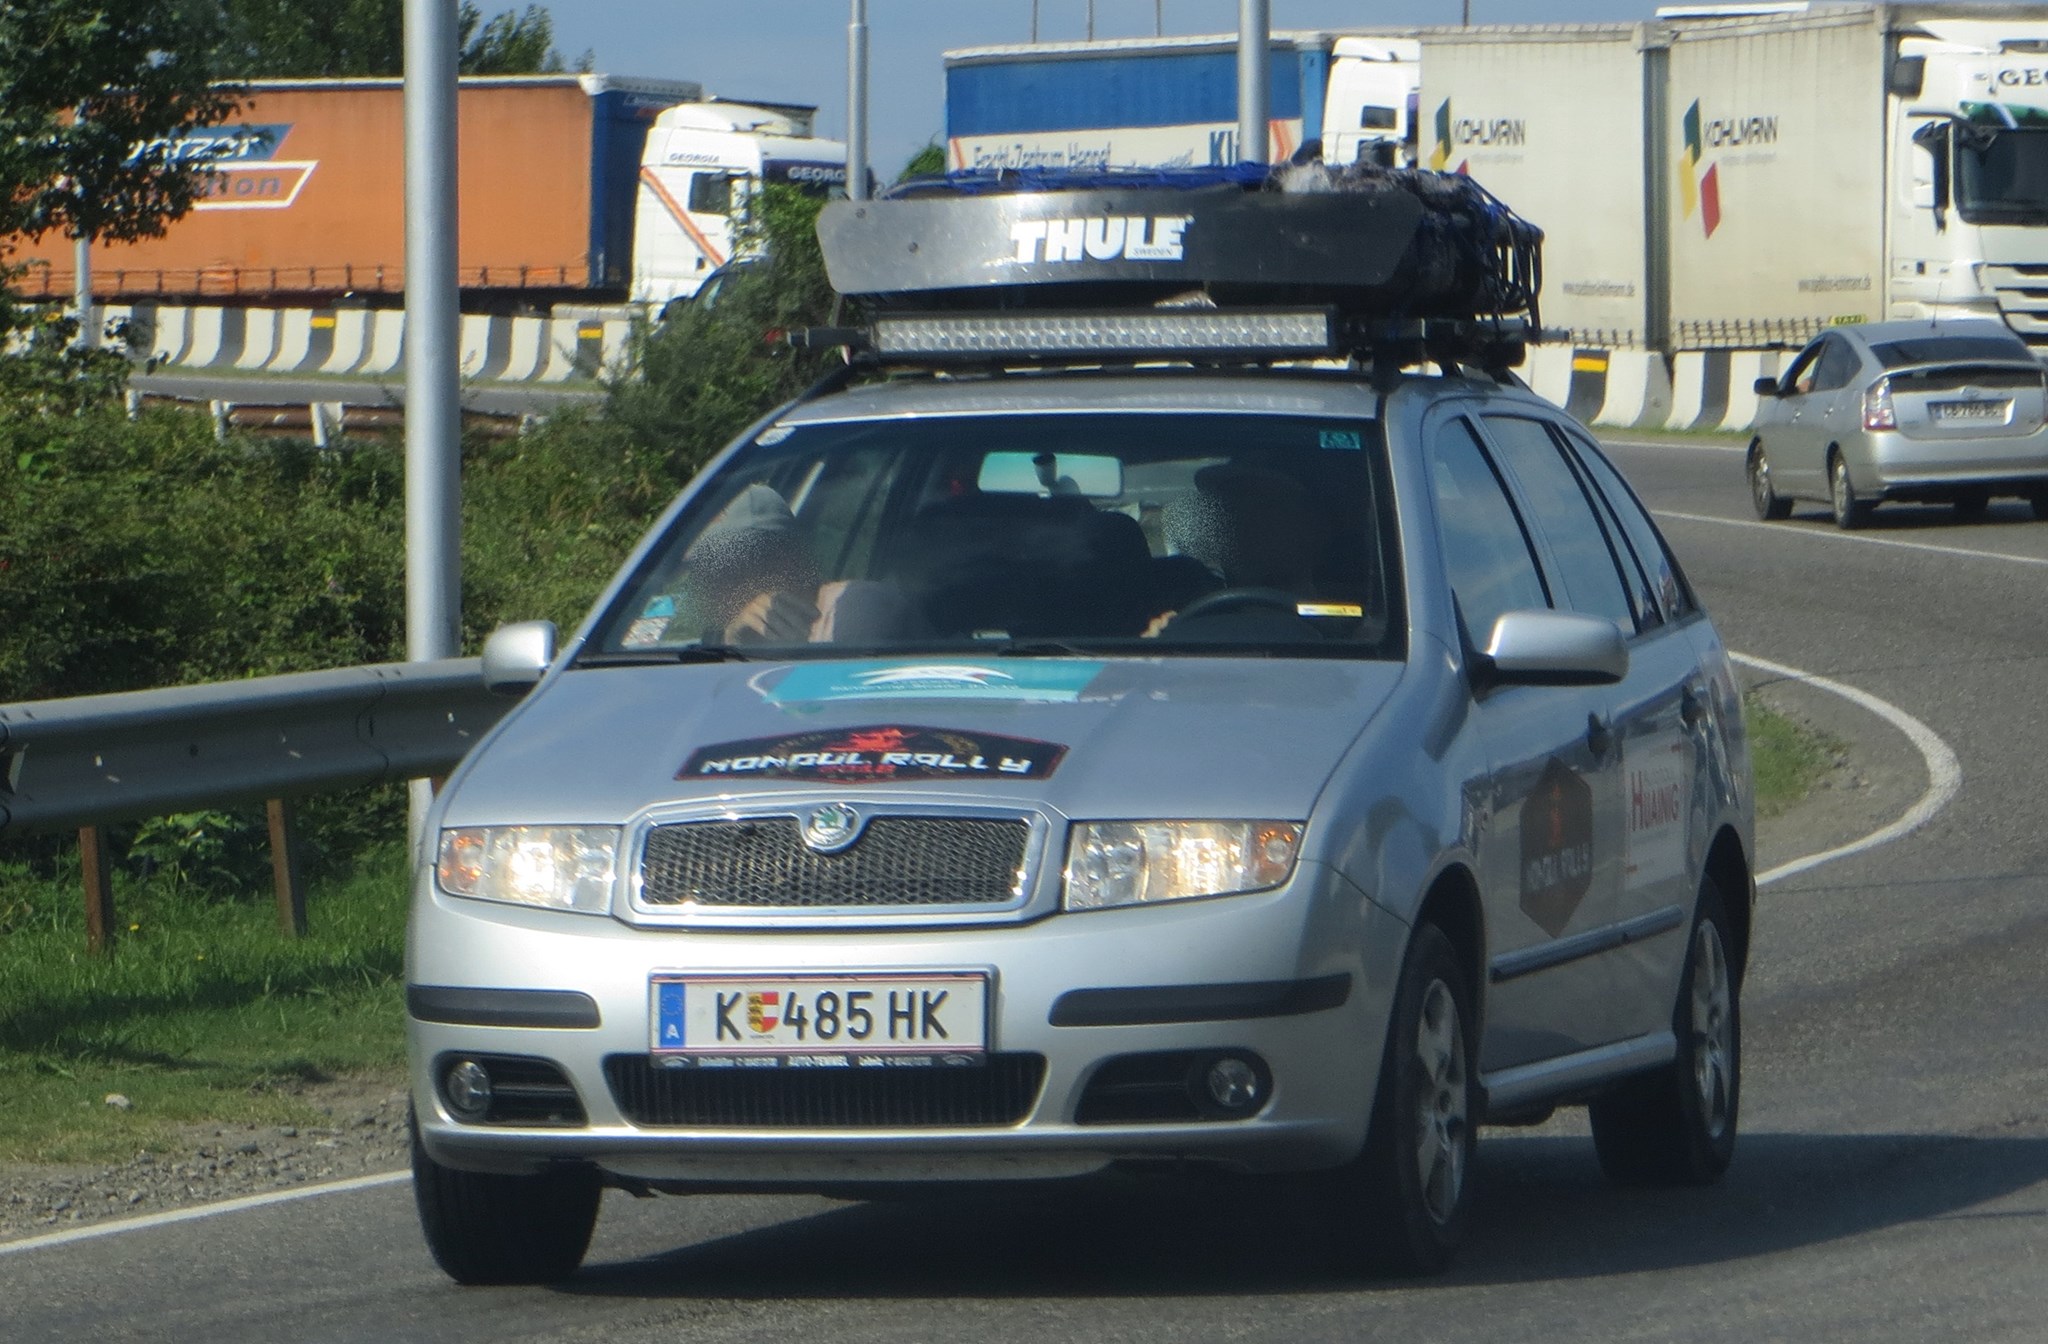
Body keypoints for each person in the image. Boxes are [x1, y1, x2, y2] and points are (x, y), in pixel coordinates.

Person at [680, 484, 920, 646]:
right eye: (706, 568)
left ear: (785, 558)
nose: (716, 582)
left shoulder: (856, 605)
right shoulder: (732, 632)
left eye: (730, 564)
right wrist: (732, 639)